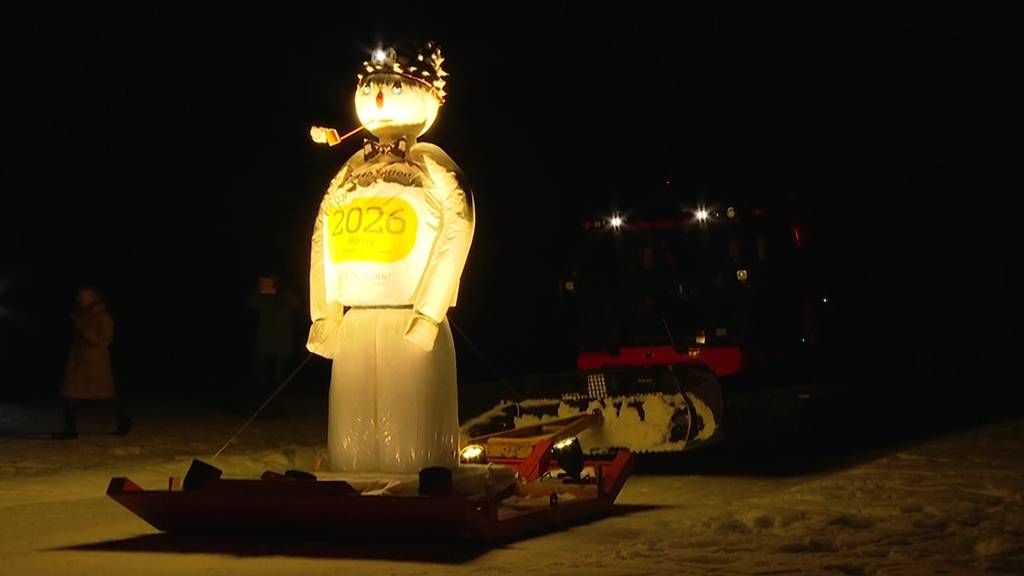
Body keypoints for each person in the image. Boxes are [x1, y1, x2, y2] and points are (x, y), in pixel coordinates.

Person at [53, 285, 132, 439]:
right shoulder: (78, 315)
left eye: (84, 295)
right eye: (79, 295)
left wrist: (86, 333)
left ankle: (125, 420)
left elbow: (105, 341)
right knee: (70, 394)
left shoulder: (104, 316)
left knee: (105, 396)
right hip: (77, 361)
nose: (79, 298)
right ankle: (70, 430)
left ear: (93, 297)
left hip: (96, 364)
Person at [248, 276, 297, 417]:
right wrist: (261, 289)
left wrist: (284, 291)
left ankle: (278, 409)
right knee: (261, 377)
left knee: (279, 378)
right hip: (265, 342)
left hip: (281, 343)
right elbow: (252, 303)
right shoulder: (263, 298)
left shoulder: (286, 296)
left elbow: (295, 304)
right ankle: (262, 408)